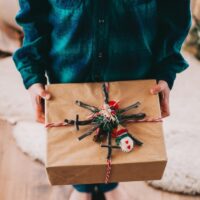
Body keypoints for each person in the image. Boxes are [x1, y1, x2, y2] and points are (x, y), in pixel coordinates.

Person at [13, 0, 191, 199]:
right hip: (68, 69)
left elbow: (174, 15)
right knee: (78, 132)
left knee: (122, 133)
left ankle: (109, 184)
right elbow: (33, 18)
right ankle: (83, 188)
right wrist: (33, 75)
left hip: (132, 70)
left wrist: (166, 72)